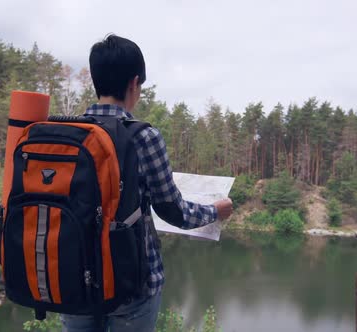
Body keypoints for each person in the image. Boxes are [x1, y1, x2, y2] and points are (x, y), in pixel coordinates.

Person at [60, 34, 234, 332]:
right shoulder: (143, 136)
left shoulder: (67, 134)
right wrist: (215, 212)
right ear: (134, 82)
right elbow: (172, 210)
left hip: (74, 279)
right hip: (131, 283)